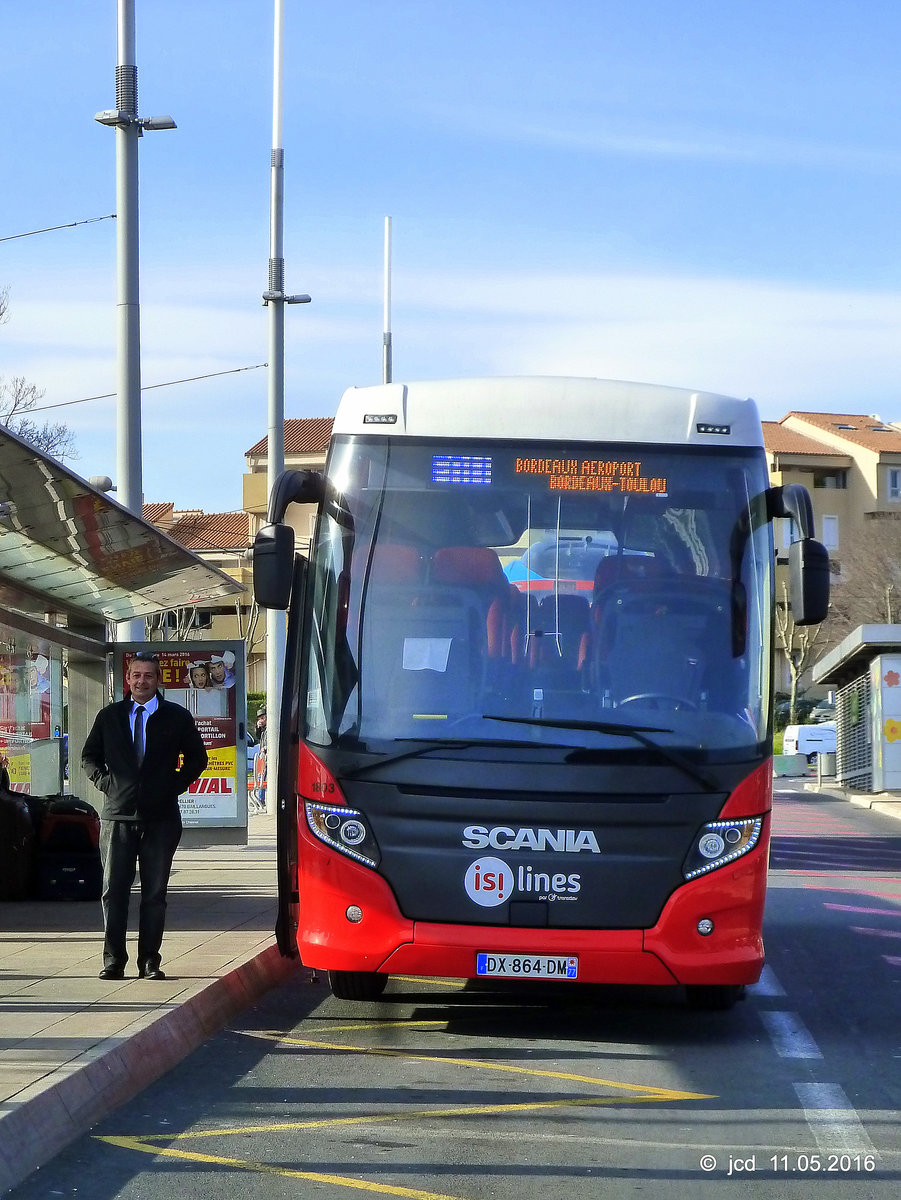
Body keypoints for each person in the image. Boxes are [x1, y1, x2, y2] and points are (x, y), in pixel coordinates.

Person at [81, 652, 208, 981]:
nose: (141, 681)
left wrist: (172, 786)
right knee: (113, 891)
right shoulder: (110, 717)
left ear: (158, 680)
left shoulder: (176, 717)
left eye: (148, 676)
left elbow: (197, 758)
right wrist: (108, 784)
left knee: (154, 894)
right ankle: (113, 961)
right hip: (117, 817)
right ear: (128, 679)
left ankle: (149, 961)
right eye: (136, 675)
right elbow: (89, 757)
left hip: (161, 819)